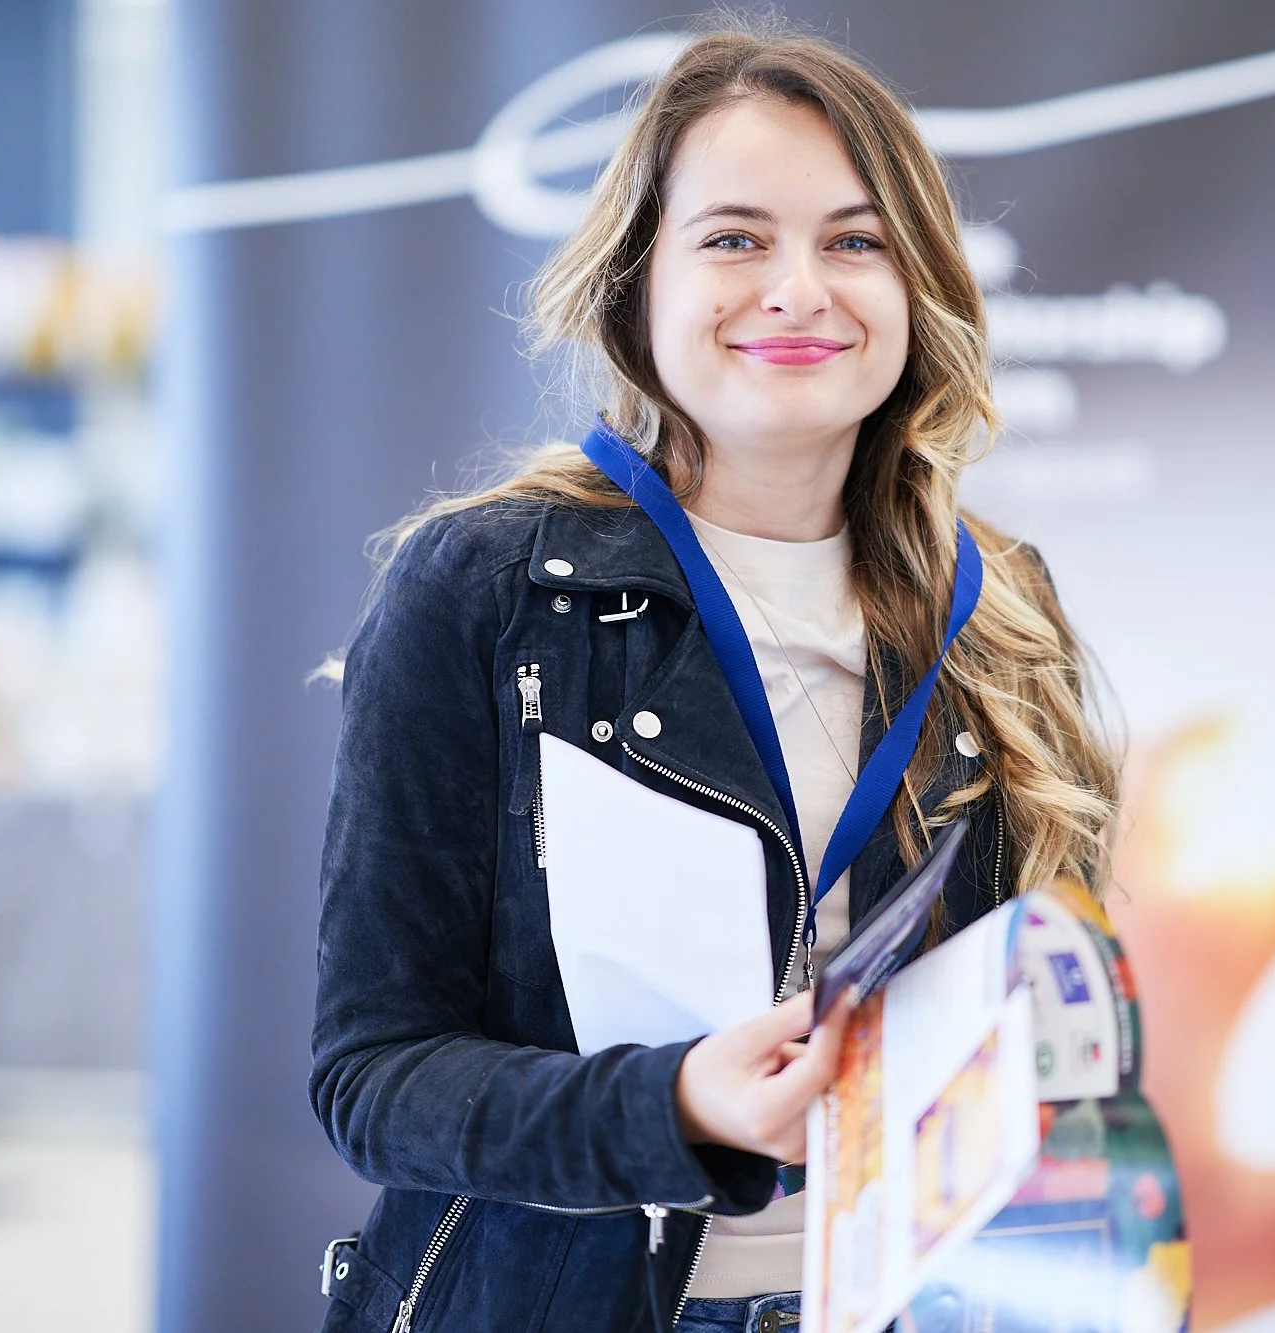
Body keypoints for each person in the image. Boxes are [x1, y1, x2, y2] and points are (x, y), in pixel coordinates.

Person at [310, 21, 1119, 1333]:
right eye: (735, 238)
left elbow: (1041, 1032)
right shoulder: (484, 590)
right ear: (637, 282)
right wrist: (676, 1103)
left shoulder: (998, 607)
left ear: (919, 289)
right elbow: (373, 1078)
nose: (798, 289)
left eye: (855, 241)